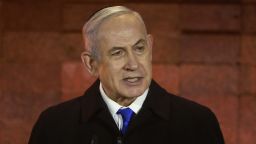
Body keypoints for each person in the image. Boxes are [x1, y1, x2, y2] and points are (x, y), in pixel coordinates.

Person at [28, 6, 225, 144]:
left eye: (139, 48)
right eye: (117, 53)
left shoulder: (197, 123)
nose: (133, 64)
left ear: (150, 46)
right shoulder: (54, 126)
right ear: (91, 63)